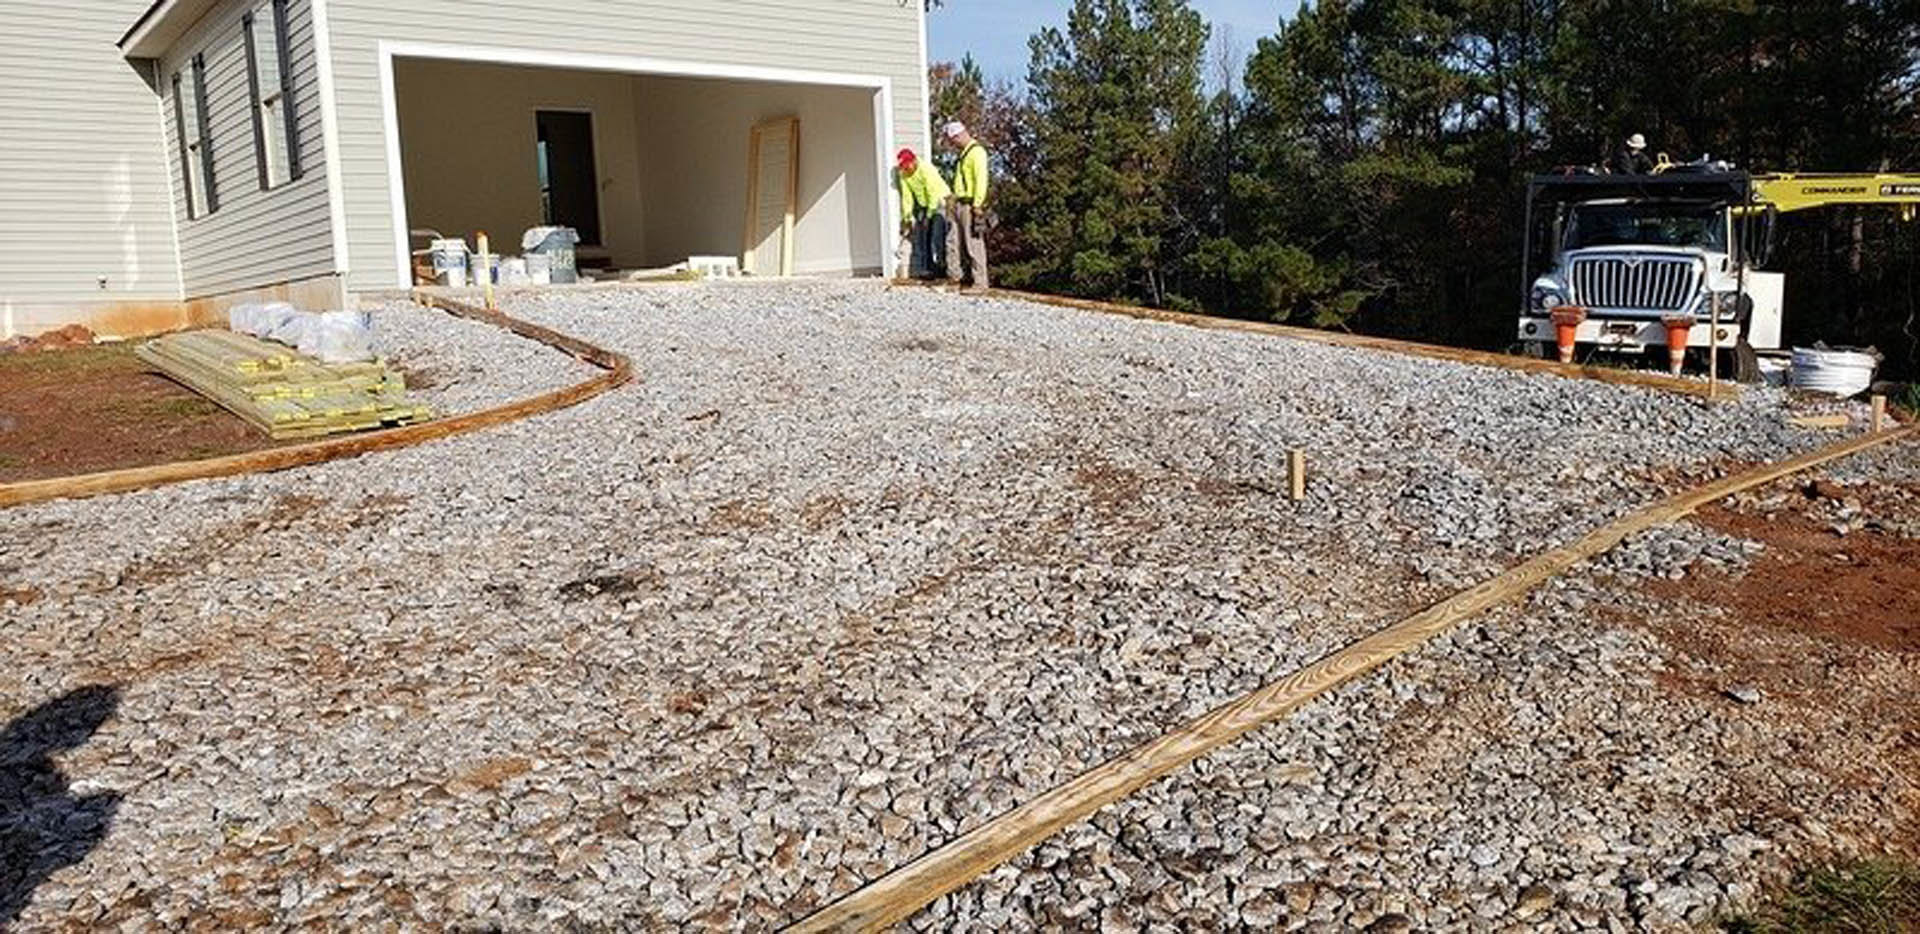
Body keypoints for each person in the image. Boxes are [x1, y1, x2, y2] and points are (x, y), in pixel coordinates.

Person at [942, 121, 991, 291]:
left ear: (959, 135)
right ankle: (956, 279)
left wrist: (978, 204)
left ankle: (980, 282)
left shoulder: (976, 152)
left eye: (952, 140)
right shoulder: (963, 154)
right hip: (958, 202)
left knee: (973, 244)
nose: (953, 144)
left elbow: (981, 180)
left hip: (970, 204)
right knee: (953, 241)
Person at [894, 148, 950, 279]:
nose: (905, 169)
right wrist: (906, 217)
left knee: (936, 236)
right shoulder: (904, 174)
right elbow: (907, 197)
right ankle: (927, 270)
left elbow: (932, 192)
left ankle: (942, 268)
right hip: (924, 205)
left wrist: (929, 216)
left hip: (939, 202)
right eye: (903, 167)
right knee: (922, 237)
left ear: (913, 161)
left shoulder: (925, 169)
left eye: (907, 166)